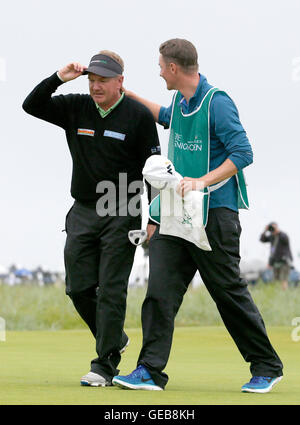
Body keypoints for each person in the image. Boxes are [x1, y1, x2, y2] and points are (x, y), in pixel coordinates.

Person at [112, 39, 283, 393]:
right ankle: (149, 370)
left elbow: (243, 152)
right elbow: (166, 117)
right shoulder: (182, 101)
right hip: (176, 217)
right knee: (159, 292)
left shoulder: (217, 102)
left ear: (174, 68)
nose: (159, 72)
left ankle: (267, 366)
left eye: (161, 66)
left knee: (227, 293)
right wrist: (126, 95)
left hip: (215, 215)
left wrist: (201, 181)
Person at [22, 50, 160, 387]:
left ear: (120, 82)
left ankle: (104, 365)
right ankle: (113, 337)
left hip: (122, 209)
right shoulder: (76, 107)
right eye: (92, 80)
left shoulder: (138, 115)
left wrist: (153, 216)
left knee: (112, 288)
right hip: (83, 208)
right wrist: (59, 77)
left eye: (103, 81)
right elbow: (31, 105)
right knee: (78, 287)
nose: (96, 87)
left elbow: (153, 171)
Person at [260, 222, 293, 290]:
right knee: (276, 279)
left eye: (273, 228)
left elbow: (286, 240)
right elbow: (262, 239)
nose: (273, 230)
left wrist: (278, 231)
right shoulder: (272, 237)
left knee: (284, 279)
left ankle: (284, 293)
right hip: (275, 261)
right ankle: (278, 293)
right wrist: (265, 230)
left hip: (285, 261)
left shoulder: (283, 235)